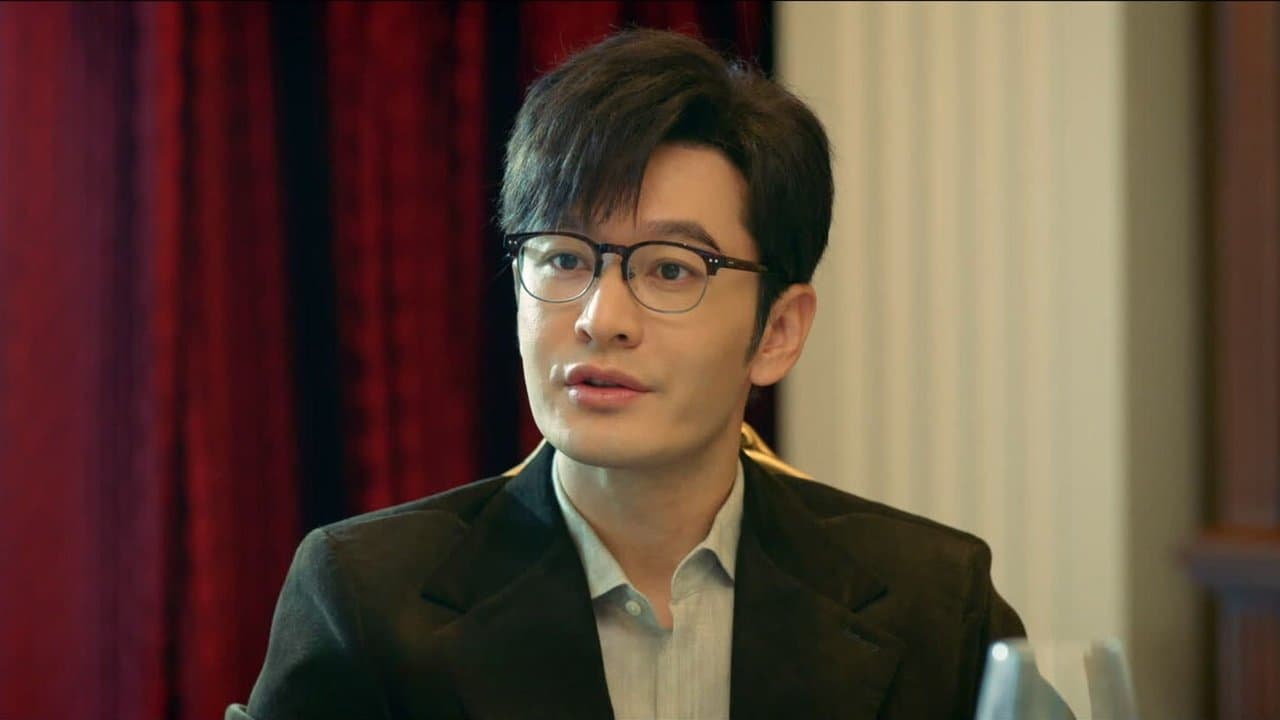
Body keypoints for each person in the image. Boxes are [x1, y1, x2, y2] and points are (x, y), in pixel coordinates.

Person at [229, 28, 1024, 720]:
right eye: (564, 258)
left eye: (671, 269)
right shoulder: (368, 601)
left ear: (777, 332)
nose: (600, 317)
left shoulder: (933, 604)